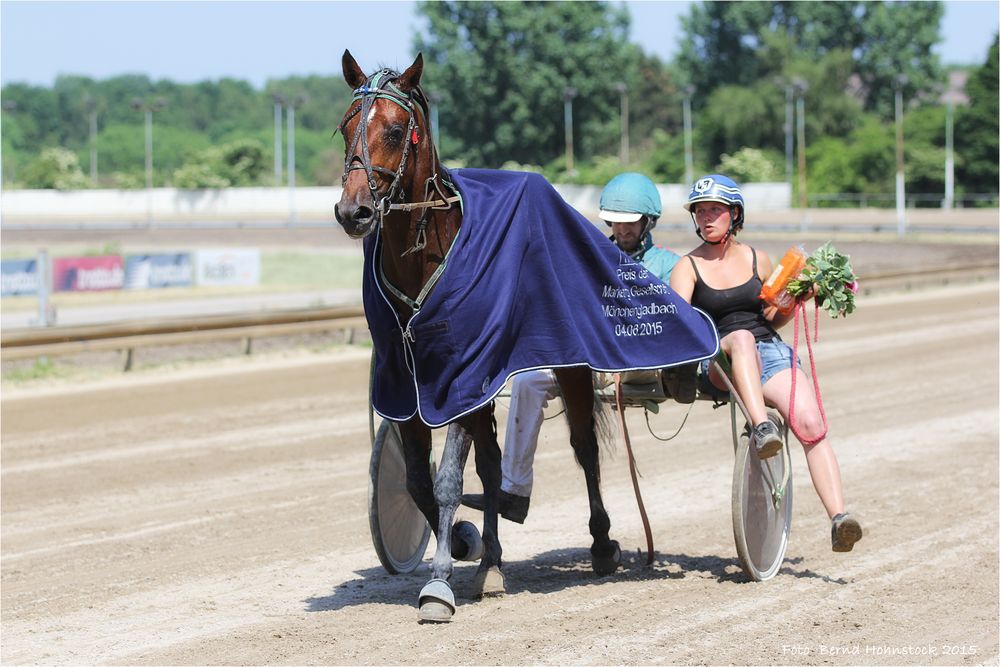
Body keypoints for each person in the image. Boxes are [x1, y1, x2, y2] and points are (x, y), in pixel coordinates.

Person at [462, 172, 681, 524]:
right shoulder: (595, 257)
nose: (622, 231)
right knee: (528, 380)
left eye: (631, 224)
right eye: (616, 223)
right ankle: (513, 490)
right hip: (589, 359)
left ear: (648, 221)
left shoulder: (669, 265)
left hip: (638, 363)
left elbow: (672, 324)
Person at [669, 174, 862, 553]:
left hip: (767, 351)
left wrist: (796, 299)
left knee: (810, 423)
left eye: (715, 210)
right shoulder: (686, 268)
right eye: (700, 210)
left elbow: (771, 318)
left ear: (734, 214)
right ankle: (762, 430)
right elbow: (680, 328)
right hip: (719, 359)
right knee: (741, 340)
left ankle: (840, 520)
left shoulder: (759, 258)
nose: (706, 217)